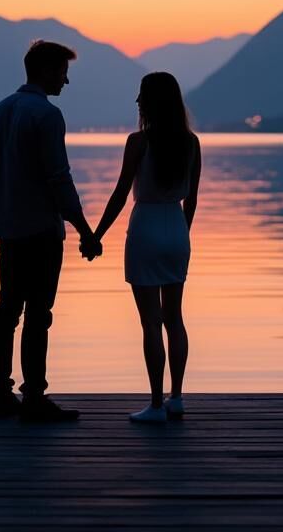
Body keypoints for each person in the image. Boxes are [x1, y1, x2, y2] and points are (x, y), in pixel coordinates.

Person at [0, 39, 102, 423]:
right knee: (38, 313)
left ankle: (1, 394)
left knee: (7, 309)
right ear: (48, 70)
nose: (67, 82)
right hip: (41, 233)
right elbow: (58, 179)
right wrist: (85, 230)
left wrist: (1, 212)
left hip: (10, 229)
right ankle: (33, 397)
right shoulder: (48, 116)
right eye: (64, 73)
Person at [90, 72, 201, 423]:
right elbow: (193, 198)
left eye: (141, 95)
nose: (137, 101)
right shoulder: (191, 142)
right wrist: (183, 234)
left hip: (146, 227)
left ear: (151, 102)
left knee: (150, 323)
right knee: (175, 318)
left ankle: (155, 404)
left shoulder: (138, 142)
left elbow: (122, 193)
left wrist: (96, 235)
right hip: (176, 227)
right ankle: (177, 397)